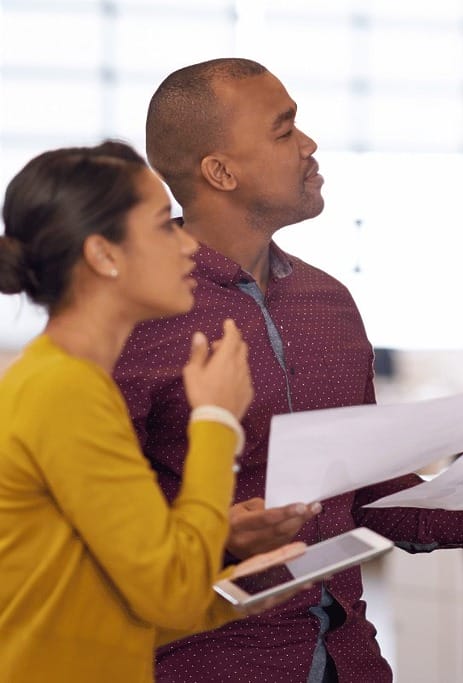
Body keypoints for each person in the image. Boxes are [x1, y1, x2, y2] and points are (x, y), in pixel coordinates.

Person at [112, 58, 463, 683]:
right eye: (284, 131)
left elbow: (361, 495)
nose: (309, 145)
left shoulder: (329, 302)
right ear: (220, 170)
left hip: (350, 657)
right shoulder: (135, 313)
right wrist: (216, 535)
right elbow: (89, 519)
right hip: (202, 661)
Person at [0, 141, 305, 682]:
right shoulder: (63, 389)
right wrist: (215, 421)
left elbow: (99, 602)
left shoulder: (68, 380)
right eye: (165, 225)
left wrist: (227, 599)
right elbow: (169, 592)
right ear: (103, 254)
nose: (187, 245)